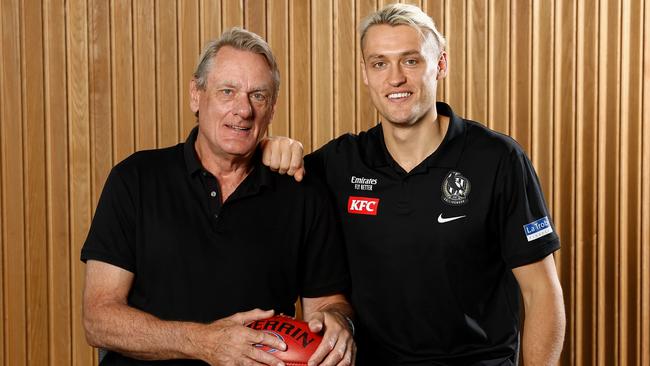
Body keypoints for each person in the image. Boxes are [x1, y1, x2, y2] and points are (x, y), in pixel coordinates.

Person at [262, 4, 565, 365]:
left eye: (410, 61)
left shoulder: (498, 160)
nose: (395, 79)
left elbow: (541, 293)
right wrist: (271, 148)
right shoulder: (341, 163)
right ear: (364, 73)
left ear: (440, 65)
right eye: (379, 63)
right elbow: (272, 186)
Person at [81, 27, 355, 366]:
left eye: (258, 96)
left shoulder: (302, 193)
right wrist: (204, 343)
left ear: (271, 109)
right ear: (196, 95)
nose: (243, 110)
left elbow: (327, 304)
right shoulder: (135, 178)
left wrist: (339, 324)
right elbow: (98, 319)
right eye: (228, 91)